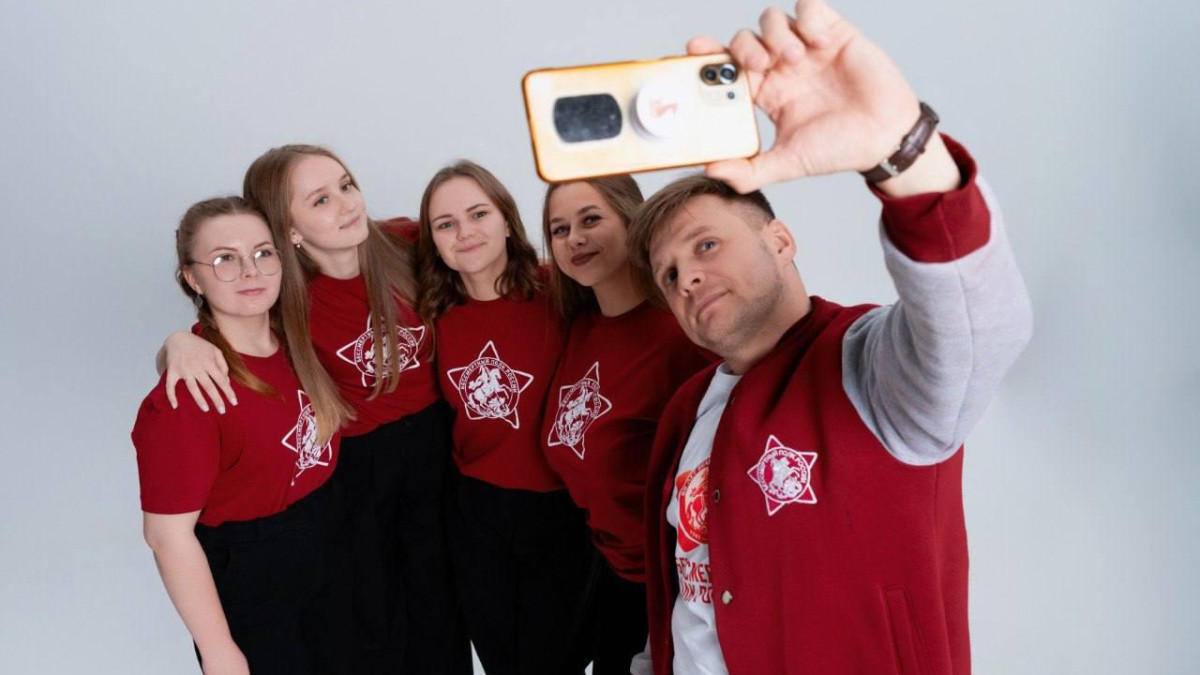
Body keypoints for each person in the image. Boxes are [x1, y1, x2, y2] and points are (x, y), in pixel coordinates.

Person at [627, 2, 1034, 674]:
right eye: (669, 274)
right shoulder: (685, 411)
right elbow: (679, 594)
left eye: (706, 245)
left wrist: (899, 148)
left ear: (780, 241)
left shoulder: (869, 364)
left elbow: (979, 328)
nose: (688, 277)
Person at [160, 146, 469, 675]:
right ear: (290, 230)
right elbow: (219, 336)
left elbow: (487, 258)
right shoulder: (284, 294)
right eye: (320, 200)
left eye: (346, 185)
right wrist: (176, 345)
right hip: (357, 467)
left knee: (442, 606)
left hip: (438, 449)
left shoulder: (406, 243)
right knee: (373, 619)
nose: (347, 204)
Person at [132, 196, 354, 674]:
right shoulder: (189, 396)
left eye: (262, 252)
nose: (250, 271)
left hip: (330, 544)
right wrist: (218, 649)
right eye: (224, 259)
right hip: (255, 577)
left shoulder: (298, 338)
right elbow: (166, 537)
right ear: (193, 278)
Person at [418, 160, 595, 675]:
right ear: (432, 241)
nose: (465, 232)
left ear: (507, 220)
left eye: (479, 214)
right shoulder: (431, 312)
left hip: (559, 509)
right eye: (446, 224)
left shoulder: (562, 289)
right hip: (475, 510)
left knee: (553, 660)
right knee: (500, 658)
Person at [540, 175, 711, 675]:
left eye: (591, 219)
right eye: (559, 229)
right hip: (605, 574)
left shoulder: (683, 335)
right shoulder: (580, 326)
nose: (575, 238)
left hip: (670, 587)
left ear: (632, 218)